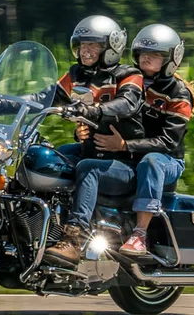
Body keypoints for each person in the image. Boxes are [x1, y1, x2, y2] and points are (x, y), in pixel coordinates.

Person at [37, 16, 146, 264]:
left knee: (87, 169)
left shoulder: (129, 75)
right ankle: (40, 228)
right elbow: (47, 97)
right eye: (82, 44)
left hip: (125, 164)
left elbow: (127, 103)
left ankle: (75, 239)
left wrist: (94, 110)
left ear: (111, 47)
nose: (85, 50)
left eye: (93, 45)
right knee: (47, 157)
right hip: (92, 152)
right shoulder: (76, 74)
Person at [109, 23, 194, 256]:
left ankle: (140, 234)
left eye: (156, 55)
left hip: (167, 161)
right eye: (143, 53)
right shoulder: (128, 82)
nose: (147, 59)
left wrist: (125, 145)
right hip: (129, 153)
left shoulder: (178, 93)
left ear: (170, 59)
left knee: (152, 161)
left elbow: (169, 142)